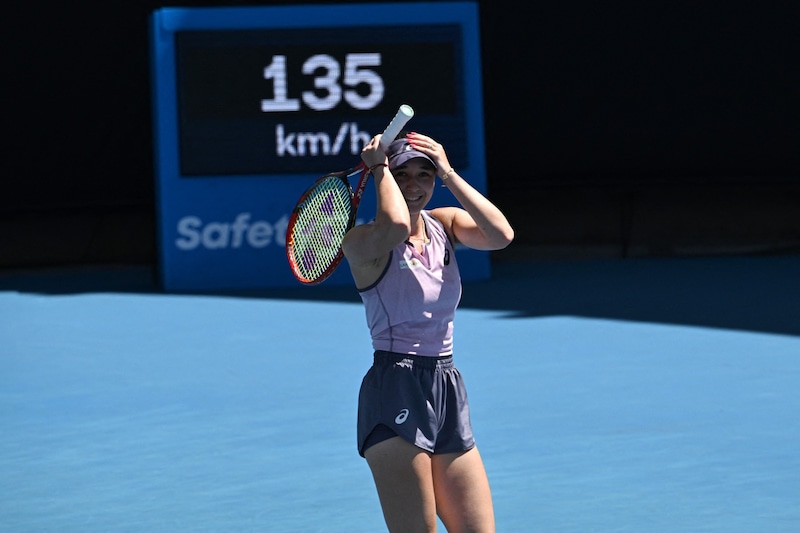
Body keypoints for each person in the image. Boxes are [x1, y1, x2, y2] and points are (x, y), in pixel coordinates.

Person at [342, 131, 514, 532]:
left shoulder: (445, 225)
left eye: (425, 175)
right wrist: (379, 168)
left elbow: (501, 235)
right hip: (394, 386)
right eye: (403, 175)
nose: (415, 185)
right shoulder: (363, 242)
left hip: (446, 384)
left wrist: (451, 174)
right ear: (384, 177)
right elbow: (398, 225)